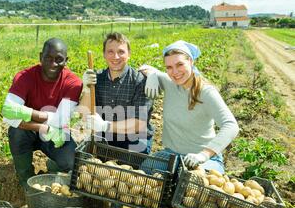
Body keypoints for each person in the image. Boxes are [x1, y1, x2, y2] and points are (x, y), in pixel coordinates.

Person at [140, 40, 239, 173]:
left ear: (191, 62)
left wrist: (204, 154)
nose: (174, 72)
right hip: (171, 154)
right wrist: (152, 74)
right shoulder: (170, 82)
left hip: (204, 160)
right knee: (143, 172)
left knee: (191, 183)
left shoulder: (206, 92)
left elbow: (231, 125)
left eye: (180, 64)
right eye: (169, 67)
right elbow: (144, 67)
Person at [1, 38, 83, 188]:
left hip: (56, 132)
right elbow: (8, 116)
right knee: (17, 133)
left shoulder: (73, 83)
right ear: (40, 57)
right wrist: (42, 126)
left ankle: (53, 166)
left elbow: (60, 121)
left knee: (71, 162)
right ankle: (26, 179)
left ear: (66, 60)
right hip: (28, 130)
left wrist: (25, 112)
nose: (53, 64)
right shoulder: (24, 77)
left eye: (59, 60)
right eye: (48, 58)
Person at [80, 32, 154, 154]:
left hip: (133, 139)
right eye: (110, 51)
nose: (115, 56)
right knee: (84, 157)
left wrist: (105, 125)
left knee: (131, 166)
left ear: (129, 54)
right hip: (105, 137)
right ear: (104, 54)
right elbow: (85, 115)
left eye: (121, 52)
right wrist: (87, 89)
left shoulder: (140, 81)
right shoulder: (96, 79)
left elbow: (138, 124)